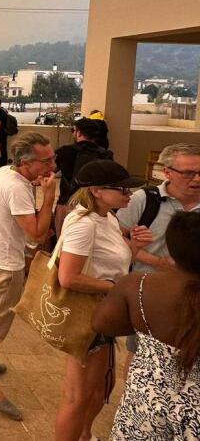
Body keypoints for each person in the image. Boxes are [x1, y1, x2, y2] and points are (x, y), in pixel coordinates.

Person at [53, 161, 152, 441]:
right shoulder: (85, 224)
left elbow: (113, 263)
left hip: (103, 313)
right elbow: (68, 278)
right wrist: (114, 287)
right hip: (88, 316)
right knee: (77, 396)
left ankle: (85, 434)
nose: (128, 194)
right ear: (97, 191)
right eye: (121, 189)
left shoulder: (107, 217)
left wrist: (135, 248)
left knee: (98, 390)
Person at [92, 210, 200, 440]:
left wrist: (144, 322)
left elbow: (102, 323)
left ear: (171, 248)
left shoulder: (139, 285)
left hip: (147, 399)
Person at [0, 132, 57, 421]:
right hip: (4, 264)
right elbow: (36, 232)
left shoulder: (3, 173)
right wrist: (49, 198)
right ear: (26, 162)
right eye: (46, 160)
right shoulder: (19, 188)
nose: (52, 165)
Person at [117, 142, 200, 373]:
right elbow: (118, 238)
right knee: (140, 354)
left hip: (194, 295)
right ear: (167, 172)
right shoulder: (144, 199)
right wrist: (159, 262)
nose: (196, 179)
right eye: (188, 173)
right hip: (151, 294)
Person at [54, 118, 113, 237]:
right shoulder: (105, 154)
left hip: (66, 203)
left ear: (79, 132)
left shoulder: (64, 151)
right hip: (93, 205)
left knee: (62, 241)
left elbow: (50, 170)